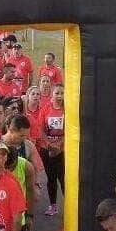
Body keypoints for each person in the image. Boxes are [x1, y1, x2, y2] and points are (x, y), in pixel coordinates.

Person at [39, 84, 65, 216]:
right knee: (51, 179)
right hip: (47, 149)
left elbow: (70, 130)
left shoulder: (67, 110)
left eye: (62, 93)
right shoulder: (45, 109)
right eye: (57, 93)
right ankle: (53, 206)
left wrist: (59, 145)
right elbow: (41, 130)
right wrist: (49, 143)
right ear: (52, 95)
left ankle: (69, 206)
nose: (59, 96)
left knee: (64, 178)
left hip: (62, 150)